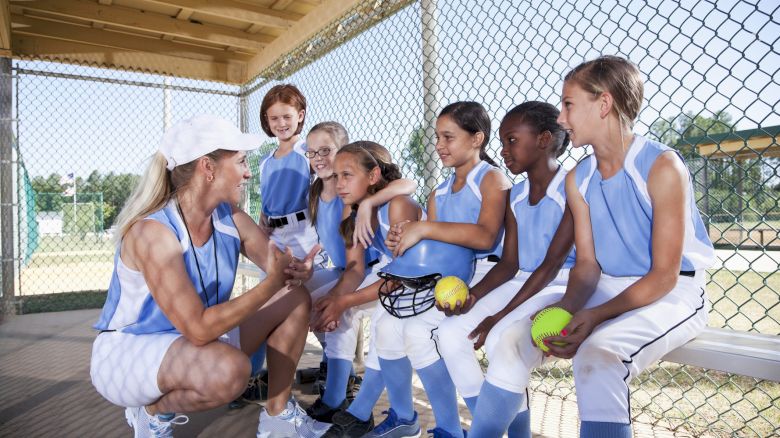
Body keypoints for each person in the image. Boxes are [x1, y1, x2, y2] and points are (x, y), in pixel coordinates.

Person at [469, 55, 715, 437]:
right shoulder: (579, 178)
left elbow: (664, 275)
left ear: (604, 104)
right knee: (513, 338)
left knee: (599, 356)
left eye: (568, 104)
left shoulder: (661, 166)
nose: (562, 118)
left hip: (673, 291)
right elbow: (586, 267)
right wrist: (566, 309)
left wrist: (595, 316)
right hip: (606, 284)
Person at [90, 115, 329, 438]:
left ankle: (277, 418)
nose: (248, 172)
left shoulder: (230, 216)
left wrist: (299, 269)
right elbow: (200, 329)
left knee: (294, 297)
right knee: (231, 372)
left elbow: (280, 269)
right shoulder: (153, 232)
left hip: (190, 342)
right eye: (241, 162)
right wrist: (271, 283)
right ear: (208, 167)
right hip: (130, 354)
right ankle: (151, 412)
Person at [436, 101, 576, 435]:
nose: (503, 150)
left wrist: (495, 317)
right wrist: (472, 297)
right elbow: (509, 264)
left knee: (502, 338)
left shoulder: (570, 187)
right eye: (502, 141)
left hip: (560, 283)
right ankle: (501, 422)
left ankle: (496, 429)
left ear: (544, 140)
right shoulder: (516, 194)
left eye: (512, 140)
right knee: (450, 332)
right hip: (522, 280)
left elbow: (550, 265)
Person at [380, 101, 511, 437]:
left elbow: (486, 236)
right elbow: (437, 249)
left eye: (448, 137)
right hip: (450, 277)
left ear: (476, 138)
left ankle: (485, 427)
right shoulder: (438, 191)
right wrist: (404, 239)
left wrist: (423, 228)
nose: (439, 145)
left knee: (444, 335)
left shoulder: (491, 178)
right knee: (405, 331)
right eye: (437, 137)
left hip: (488, 274)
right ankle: (450, 428)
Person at [311, 142, 423, 437]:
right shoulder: (352, 206)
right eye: (336, 177)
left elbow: (404, 275)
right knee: (330, 304)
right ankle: (336, 399)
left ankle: (359, 411)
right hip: (389, 273)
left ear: (374, 176)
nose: (338, 184)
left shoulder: (396, 205)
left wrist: (345, 300)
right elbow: (355, 269)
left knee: (383, 321)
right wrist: (335, 301)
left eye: (346, 175)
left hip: (416, 278)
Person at [257, 83, 319, 260]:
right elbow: (271, 194)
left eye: (287, 116)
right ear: (267, 120)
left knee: (302, 285)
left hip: (303, 232)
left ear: (300, 116)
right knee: (271, 283)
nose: (281, 123)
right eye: (274, 118)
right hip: (273, 233)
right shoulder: (265, 160)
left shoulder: (309, 151)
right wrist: (263, 214)